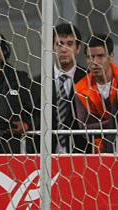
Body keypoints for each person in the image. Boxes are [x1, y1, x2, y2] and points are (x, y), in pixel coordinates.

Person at [31, 23, 87, 153]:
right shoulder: (38, 82)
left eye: (69, 44)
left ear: (78, 48)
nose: (64, 49)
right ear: (52, 47)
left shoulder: (88, 79)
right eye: (59, 44)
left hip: (81, 153)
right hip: (45, 154)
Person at [74, 34, 118, 152]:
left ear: (111, 57)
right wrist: (117, 122)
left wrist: (101, 125)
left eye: (100, 56)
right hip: (98, 150)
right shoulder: (80, 87)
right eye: (90, 57)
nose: (94, 62)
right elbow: (84, 128)